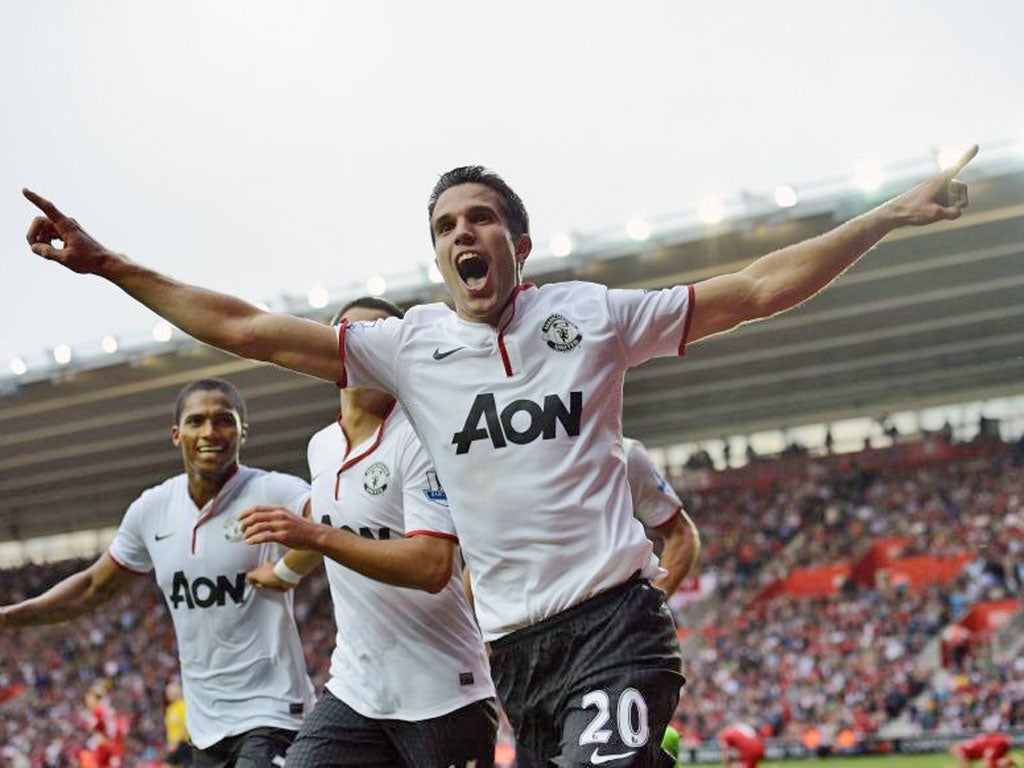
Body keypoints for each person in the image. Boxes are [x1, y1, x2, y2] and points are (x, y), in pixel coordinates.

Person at [21, 147, 975, 767]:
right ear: (437, 260)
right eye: (444, 227)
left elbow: (757, 287)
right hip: (513, 653)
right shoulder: (413, 348)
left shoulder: (593, 317)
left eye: (478, 219)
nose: (460, 235)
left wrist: (883, 216)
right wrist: (109, 264)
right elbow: (241, 326)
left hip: (614, 628)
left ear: (519, 241)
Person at [0, 378, 315, 768]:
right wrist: (9, 616)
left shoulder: (270, 491)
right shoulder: (153, 509)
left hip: (273, 710)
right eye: (197, 421)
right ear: (176, 433)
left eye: (224, 421)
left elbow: (333, 514)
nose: (210, 433)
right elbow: (93, 587)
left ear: (242, 432)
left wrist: (286, 569)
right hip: (206, 724)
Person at [245, 296, 498, 768]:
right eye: (349, 335)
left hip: (442, 694)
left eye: (378, 336)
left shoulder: (424, 435)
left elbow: (431, 566)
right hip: (356, 690)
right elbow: (340, 525)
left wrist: (314, 537)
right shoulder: (321, 446)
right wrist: (283, 571)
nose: (362, 346)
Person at [163, 679, 192, 767]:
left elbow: (185, 725)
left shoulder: (183, 706)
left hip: (183, 743)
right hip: (174, 744)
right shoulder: (170, 708)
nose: (168, 694)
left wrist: (176, 741)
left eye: (171, 692)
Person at [951, 732, 1017, 768]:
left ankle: (1010, 762)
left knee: (987, 764)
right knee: (994, 762)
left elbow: (965, 764)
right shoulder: (967, 744)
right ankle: (1009, 762)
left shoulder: (962, 749)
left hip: (995, 744)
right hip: (1001, 740)